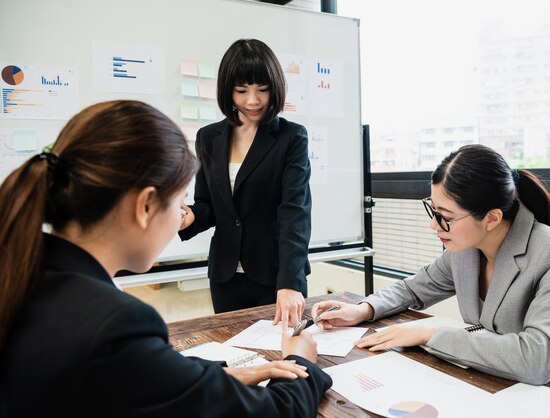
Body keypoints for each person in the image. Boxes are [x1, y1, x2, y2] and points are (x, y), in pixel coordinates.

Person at [0, 100, 331, 417]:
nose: (179, 216)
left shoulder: (25, 273)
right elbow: (272, 412)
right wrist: (302, 361)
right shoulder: (117, 324)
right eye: (179, 202)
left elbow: (143, 373)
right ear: (145, 206)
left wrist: (219, 376)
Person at [312, 144, 550, 385]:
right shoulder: (464, 249)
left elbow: (536, 358)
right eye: (433, 210)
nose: (434, 225)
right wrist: (363, 309)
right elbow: (413, 289)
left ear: (492, 218)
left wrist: (430, 333)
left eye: (445, 216)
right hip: (491, 378)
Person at [179, 39, 311, 326]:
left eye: (262, 90)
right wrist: (190, 217)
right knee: (234, 357)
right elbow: (209, 205)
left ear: (274, 87)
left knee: (282, 357)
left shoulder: (291, 137)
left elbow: (295, 212)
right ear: (228, 90)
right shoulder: (208, 137)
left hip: (276, 275)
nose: (253, 101)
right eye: (241, 91)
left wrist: (290, 282)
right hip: (225, 276)